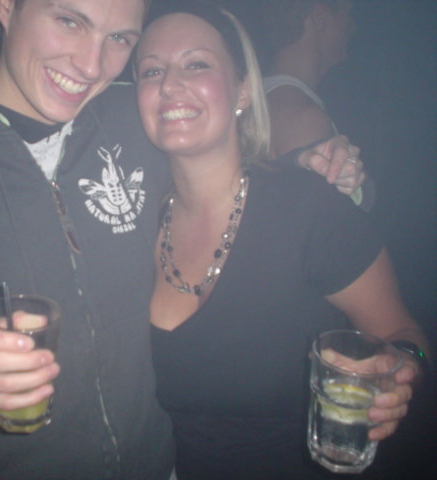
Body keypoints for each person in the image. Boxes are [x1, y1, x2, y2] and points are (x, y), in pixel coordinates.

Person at [0, 0, 366, 478]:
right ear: (6, 4)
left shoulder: (135, 115)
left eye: (120, 38)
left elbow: (215, 163)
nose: (90, 64)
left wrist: (310, 164)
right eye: (70, 21)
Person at [134, 1, 431, 479]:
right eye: (152, 71)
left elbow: (404, 335)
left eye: (196, 64)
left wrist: (400, 371)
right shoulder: (131, 221)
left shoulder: (307, 208)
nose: (169, 84)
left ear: (243, 90)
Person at [259, 0, 375, 210]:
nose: (352, 26)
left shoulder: (264, 95)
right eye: (347, 14)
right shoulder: (303, 118)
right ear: (320, 16)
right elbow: (307, 223)